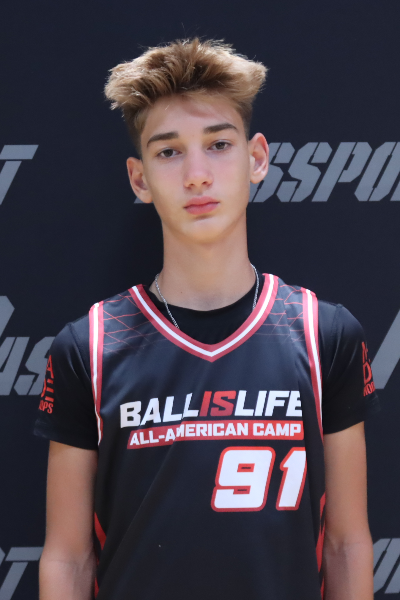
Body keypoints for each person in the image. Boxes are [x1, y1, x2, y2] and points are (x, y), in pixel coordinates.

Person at [34, 38, 379, 600]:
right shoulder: (90, 345)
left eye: (218, 144)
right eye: (169, 152)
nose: (197, 174)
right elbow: (68, 558)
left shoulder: (324, 335)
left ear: (257, 158)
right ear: (139, 178)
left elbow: (346, 544)